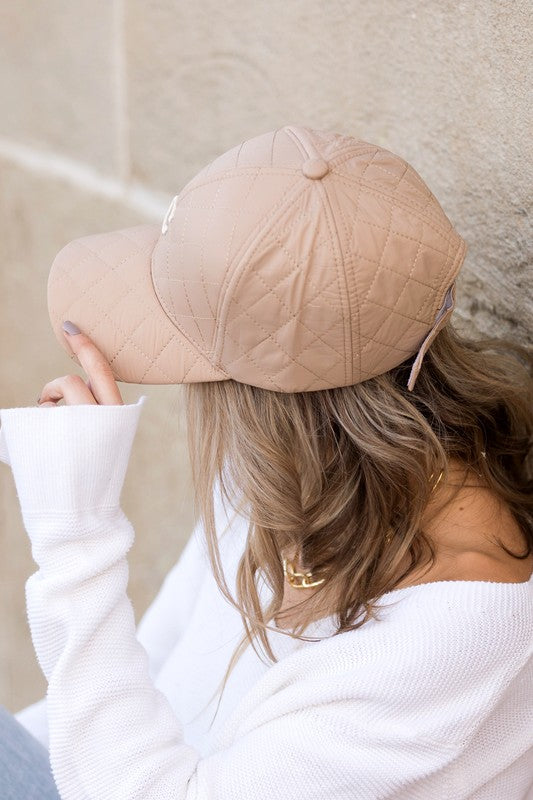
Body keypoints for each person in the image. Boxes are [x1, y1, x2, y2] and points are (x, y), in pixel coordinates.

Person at [0, 126, 531, 799]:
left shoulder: (452, 635)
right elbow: (155, 668)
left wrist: (75, 532)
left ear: (256, 400)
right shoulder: (283, 473)